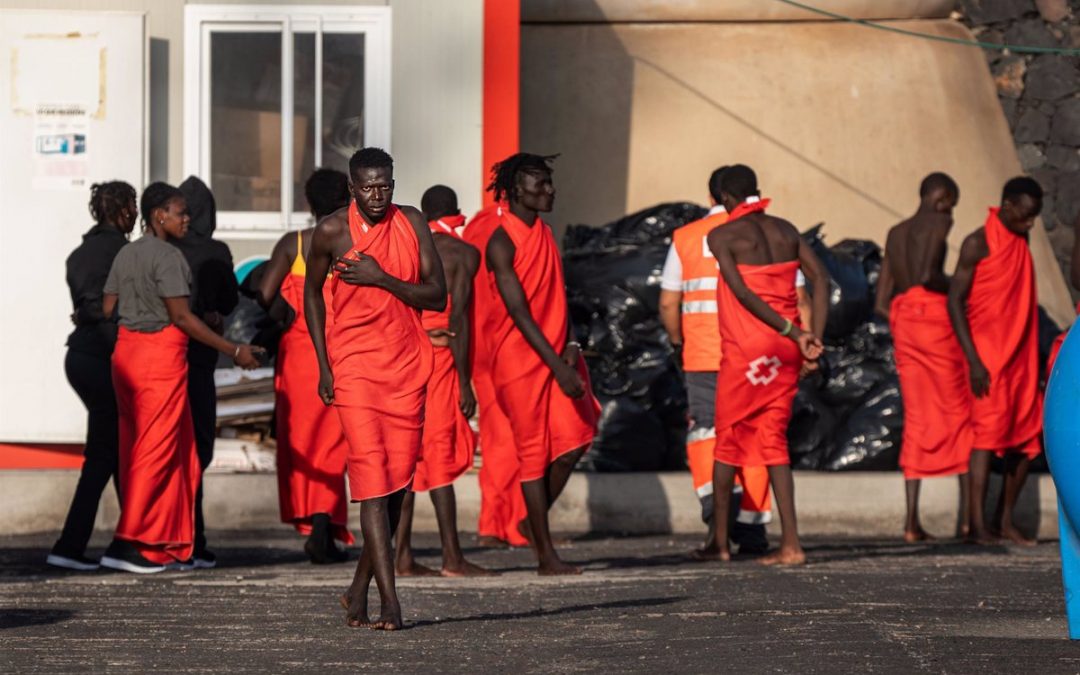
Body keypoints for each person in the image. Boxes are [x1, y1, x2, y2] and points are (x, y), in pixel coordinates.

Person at [304, 148, 445, 630]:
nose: (378, 195)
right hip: (355, 368)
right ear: (351, 186)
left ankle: (356, 592)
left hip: (407, 364)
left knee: (398, 488)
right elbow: (311, 297)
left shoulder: (412, 222)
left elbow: (436, 294)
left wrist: (382, 279)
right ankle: (391, 601)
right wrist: (324, 365)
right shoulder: (330, 231)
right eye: (368, 187)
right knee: (370, 484)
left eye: (386, 185)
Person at [99, 182, 261, 573]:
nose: (186, 219)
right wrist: (233, 350)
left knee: (142, 451)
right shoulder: (168, 257)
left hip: (127, 355)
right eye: (179, 212)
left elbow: (108, 308)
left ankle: (163, 543)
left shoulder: (126, 252)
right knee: (157, 455)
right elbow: (181, 317)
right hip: (160, 358)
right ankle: (130, 543)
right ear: (159, 216)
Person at [705, 165, 829, 565]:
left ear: (724, 198)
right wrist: (812, 339)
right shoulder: (787, 230)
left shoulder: (721, 234)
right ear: (757, 191)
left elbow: (740, 292)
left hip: (748, 351)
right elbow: (821, 280)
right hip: (787, 350)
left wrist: (794, 333)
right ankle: (792, 544)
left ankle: (720, 543)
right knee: (774, 442)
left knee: (727, 439)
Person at [484, 153, 601, 575]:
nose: (550, 191)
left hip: (557, 356)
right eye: (541, 185)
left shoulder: (547, 233)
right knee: (534, 454)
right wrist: (558, 366)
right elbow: (519, 312)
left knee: (576, 441)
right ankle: (545, 556)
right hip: (520, 362)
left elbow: (557, 294)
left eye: (550, 183)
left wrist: (570, 341)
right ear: (517, 190)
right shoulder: (501, 241)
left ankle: (529, 523)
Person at [659, 165, 775, 558]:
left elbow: (668, 301)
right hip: (753, 354)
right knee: (755, 434)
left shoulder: (686, 238)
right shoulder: (762, 233)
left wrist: (678, 342)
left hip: (704, 354)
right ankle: (754, 529)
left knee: (707, 431)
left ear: (712, 197)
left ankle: (716, 516)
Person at [393, 185, 494, 577]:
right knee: (439, 455)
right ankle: (452, 556)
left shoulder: (408, 249)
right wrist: (466, 382)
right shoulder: (463, 253)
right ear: (458, 212)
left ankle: (402, 556)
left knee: (408, 455)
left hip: (405, 358)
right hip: (442, 361)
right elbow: (459, 323)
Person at [256, 168, 353, 564]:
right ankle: (323, 527)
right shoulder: (351, 240)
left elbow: (264, 294)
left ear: (309, 204)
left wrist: (289, 309)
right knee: (336, 445)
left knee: (304, 444)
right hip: (342, 351)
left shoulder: (293, 243)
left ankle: (315, 524)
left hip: (298, 355)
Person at [875, 173, 972, 542]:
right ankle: (967, 521)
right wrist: (960, 286)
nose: (950, 210)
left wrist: (906, 317)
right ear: (940, 195)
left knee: (917, 418)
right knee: (959, 413)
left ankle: (911, 523)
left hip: (906, 326)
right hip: (935, 323)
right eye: (950, 201)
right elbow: (930, 274)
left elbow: (881, 302)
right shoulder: (939, 220)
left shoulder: (895, 233)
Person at [948, 176, 1044, 546]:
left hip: (1021, 357)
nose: (1030, 223)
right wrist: (972, 359)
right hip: (987, 358)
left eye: (1034, 217)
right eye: (1025, 216)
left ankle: (1003, 520)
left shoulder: (1022, 238)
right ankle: (976, 525)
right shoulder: (978, 242)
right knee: (985, 440)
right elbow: (954, 299)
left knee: (1027, 440)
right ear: (1006, 207)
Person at [47, 181, 138, 571]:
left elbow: (87, 306)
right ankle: (70, 546)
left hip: (79, 357)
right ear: (120, 212)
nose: (136, 213)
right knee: (106, 453)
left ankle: (129, 539)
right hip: (105, 357)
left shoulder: (79, 253)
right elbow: (112, 309)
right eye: (132, 205)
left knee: (115, 450)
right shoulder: (124, 252)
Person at [175, 176, 240, 569]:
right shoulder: (216, 251)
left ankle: (169, 536)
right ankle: (194, 538)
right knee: (199, 449)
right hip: (200, 359)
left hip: (162, 360)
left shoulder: (164, 248)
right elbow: (230, 300)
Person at [462, 204, 530, 550]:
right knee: (514, 440)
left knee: (499, 437)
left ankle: (502, 520)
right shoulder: (511, 230)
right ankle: (508, 522)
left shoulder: (477, 225)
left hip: (484, 344)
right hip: (509, 344)